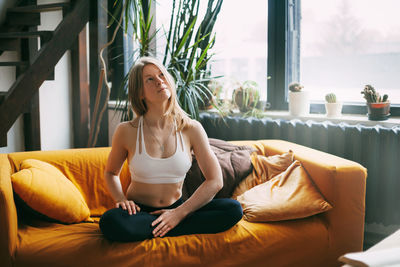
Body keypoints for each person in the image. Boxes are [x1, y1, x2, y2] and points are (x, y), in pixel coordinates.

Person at [99, 56, 243, 242]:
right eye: (150, 79)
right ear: (140, 92)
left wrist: (178, 213)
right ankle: (165, 226)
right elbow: (111, 172)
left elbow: (215, 180)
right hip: (139, 213)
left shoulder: (192, 128)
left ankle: (167, 225)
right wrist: (120, 199)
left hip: (178, 208)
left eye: (161, 75)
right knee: (110, 222)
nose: (160, 81)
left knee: (232, 209)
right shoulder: (126, 131)